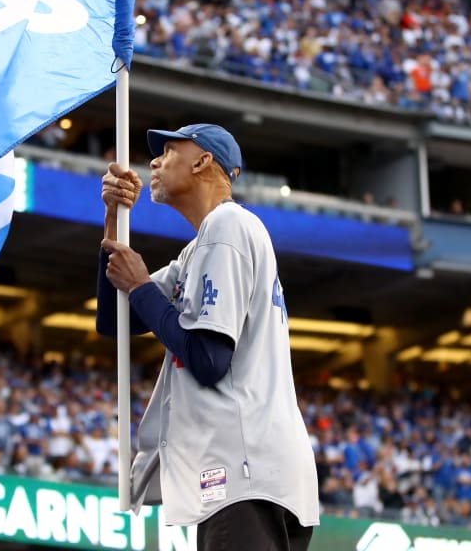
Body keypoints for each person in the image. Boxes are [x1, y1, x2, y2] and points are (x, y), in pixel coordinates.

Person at [96, 124, 319, 550]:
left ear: (202, 161)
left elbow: (208, 359)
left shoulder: (228, 225)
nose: (155, 162)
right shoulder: (200, 246)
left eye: (168, 150)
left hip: (245, 472)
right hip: (252, 474)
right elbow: (115, 320)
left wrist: (142, 286)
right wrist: (113, 221)